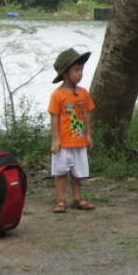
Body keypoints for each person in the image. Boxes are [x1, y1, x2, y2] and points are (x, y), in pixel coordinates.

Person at [48, 48, 96, 213]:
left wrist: (89, 134)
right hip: (63, 141)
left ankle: (77, 197)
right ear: (65, 72)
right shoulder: (58, 95)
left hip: (79, 140)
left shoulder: (83, 93)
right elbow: (54, 117)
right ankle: (60, 199)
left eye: (81, 69)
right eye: (76, 70)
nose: (80, 73)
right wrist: (56, 139)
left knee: (78, 172)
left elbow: (88, 113)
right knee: (61, 171)